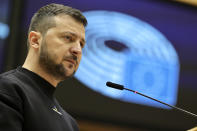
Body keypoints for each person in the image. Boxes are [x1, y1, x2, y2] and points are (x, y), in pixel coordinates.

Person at [0, 3, 87, 131]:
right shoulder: (8, 89)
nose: (77, 50)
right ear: (35, 40)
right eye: (68, 38)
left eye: (81, 44)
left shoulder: (71, 124)